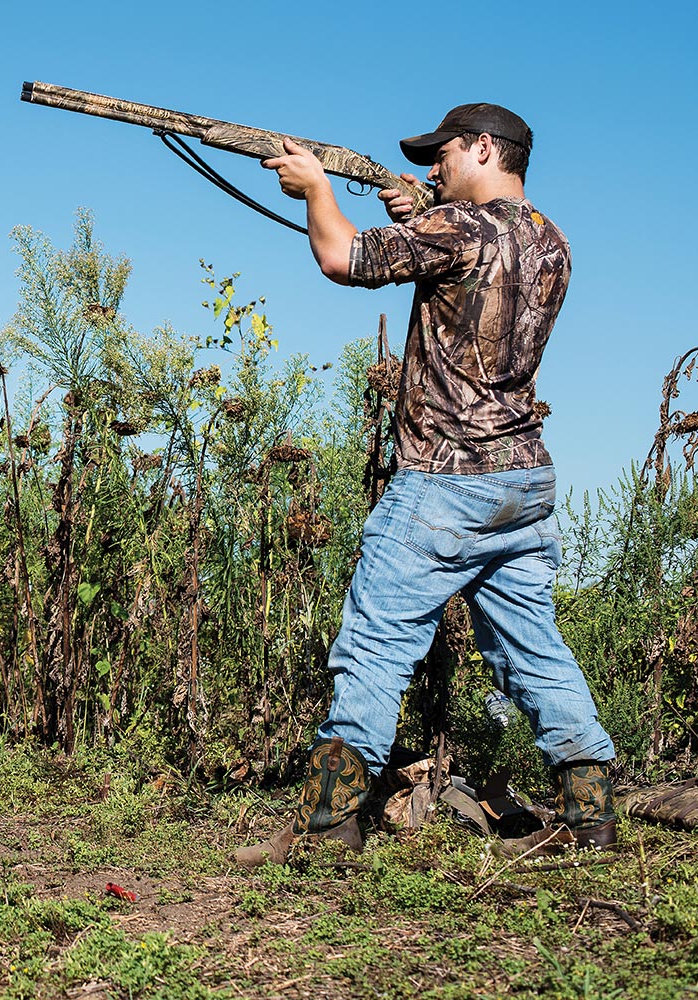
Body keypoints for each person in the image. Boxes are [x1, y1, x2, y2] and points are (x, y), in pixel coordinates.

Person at [235, 104, 616, 866]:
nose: (432, 165)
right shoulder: (551, 238)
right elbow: (477, 257)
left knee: (374, 645)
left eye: (442, 154)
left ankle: (329, 824)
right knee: (533, 648)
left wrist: (315, 186)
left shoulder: (457, 231)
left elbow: (343, 258)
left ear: (482, 146)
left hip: (444, 481)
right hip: (523, 478)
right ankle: (591, 817)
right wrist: (428, 208)